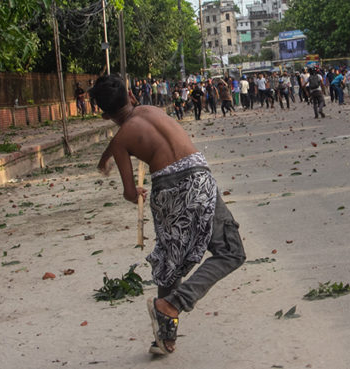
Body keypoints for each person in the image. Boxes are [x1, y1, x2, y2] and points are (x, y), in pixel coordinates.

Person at [92, 74, 246, 356]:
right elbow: (127, 131)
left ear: (104, 115)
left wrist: (133, 188)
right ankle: (169, 316)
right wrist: (106, 156)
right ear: (132, 97)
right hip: (198, 178)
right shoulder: (152, 110)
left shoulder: (120, 141)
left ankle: (171, 310)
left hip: (168, 189)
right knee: (231, 252)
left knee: (170, 260)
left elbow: (129, 191)